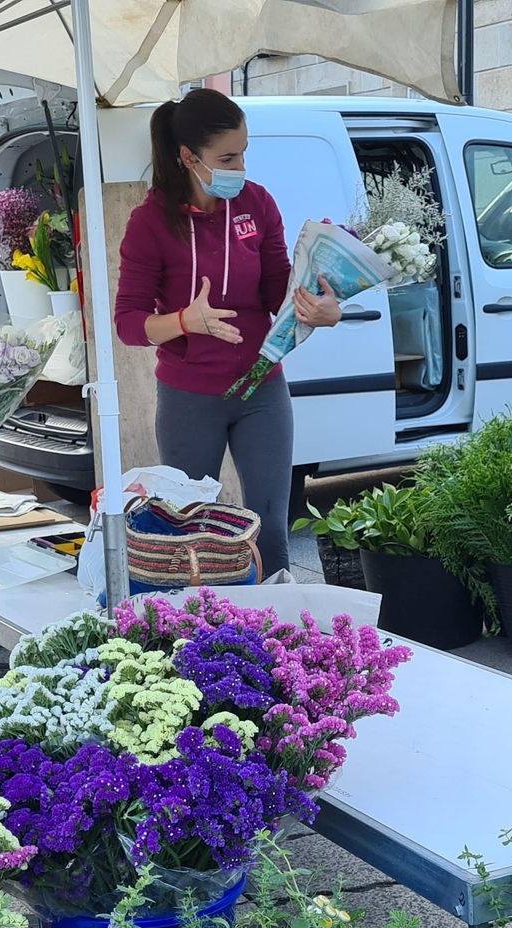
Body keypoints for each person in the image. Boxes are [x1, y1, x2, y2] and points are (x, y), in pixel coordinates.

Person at [114, 87, 342, 578]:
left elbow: (276, 292)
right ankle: (206, 640)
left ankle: (283, 640)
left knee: (272, 530)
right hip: (189, 398)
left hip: (263, 388)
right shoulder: (150, 223)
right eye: (228, 157)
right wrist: (184, 322)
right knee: (194, 532)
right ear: (188, 157)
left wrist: (321, 306)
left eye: (244, 153)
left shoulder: (257, 204)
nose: (239, 167)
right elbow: (128, 323)